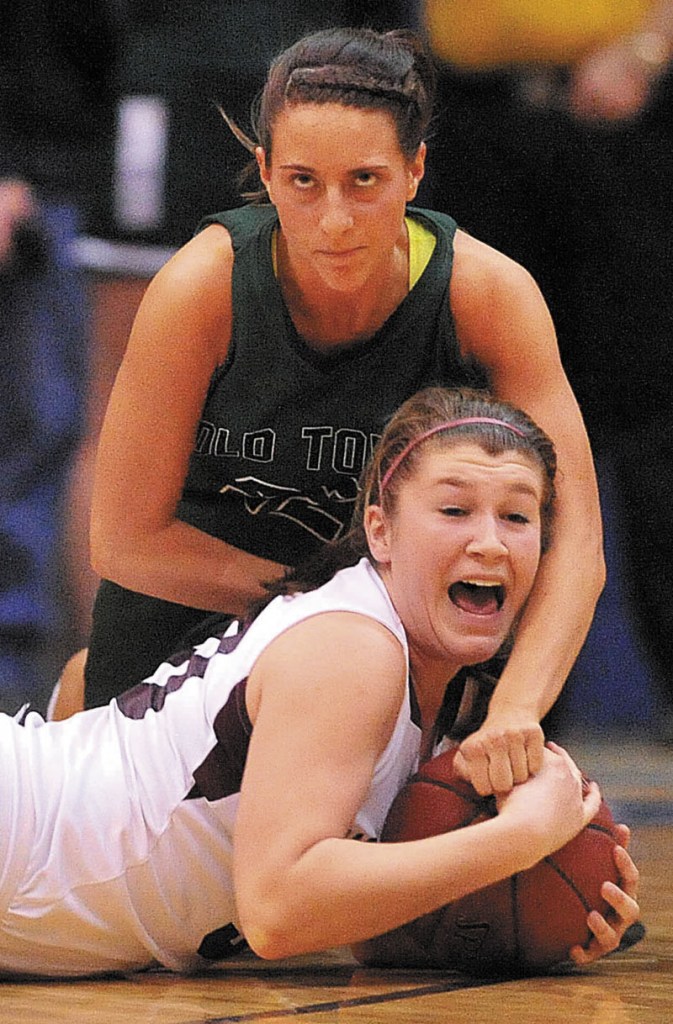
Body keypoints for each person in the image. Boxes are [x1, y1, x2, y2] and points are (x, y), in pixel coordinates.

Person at [55, 26, 605, 798]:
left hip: (411, 634)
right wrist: (341, 614)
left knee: (524, 871)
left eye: (365, 181)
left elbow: (575, 538)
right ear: (264, 173)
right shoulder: (203, 287)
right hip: (211, 615)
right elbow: (124, 542)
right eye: (303, 182)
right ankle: (80, 711)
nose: (335, 219)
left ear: (414, 171)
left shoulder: (486, 293)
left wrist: (514, 708)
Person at [0, 388, 639, 979]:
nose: (490, 543)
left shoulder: (440, 685)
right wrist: (518, 839)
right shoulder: (354, 650)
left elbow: (348, 923)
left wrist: (550, 918)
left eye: (517, 518)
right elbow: (277, 910)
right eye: (454, 509)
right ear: (381, 532)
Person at [419, 0, 673, 729]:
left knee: (652, 418)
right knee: (488, 418)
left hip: (628, 110)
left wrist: (651, 46)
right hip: (471, 119)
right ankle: (499, 709)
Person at [0, 1, 123, 713]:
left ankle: (60, 691)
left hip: (93, 174)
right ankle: (14, 681)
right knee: (37, 436)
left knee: (58, 430)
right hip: (37, 186)